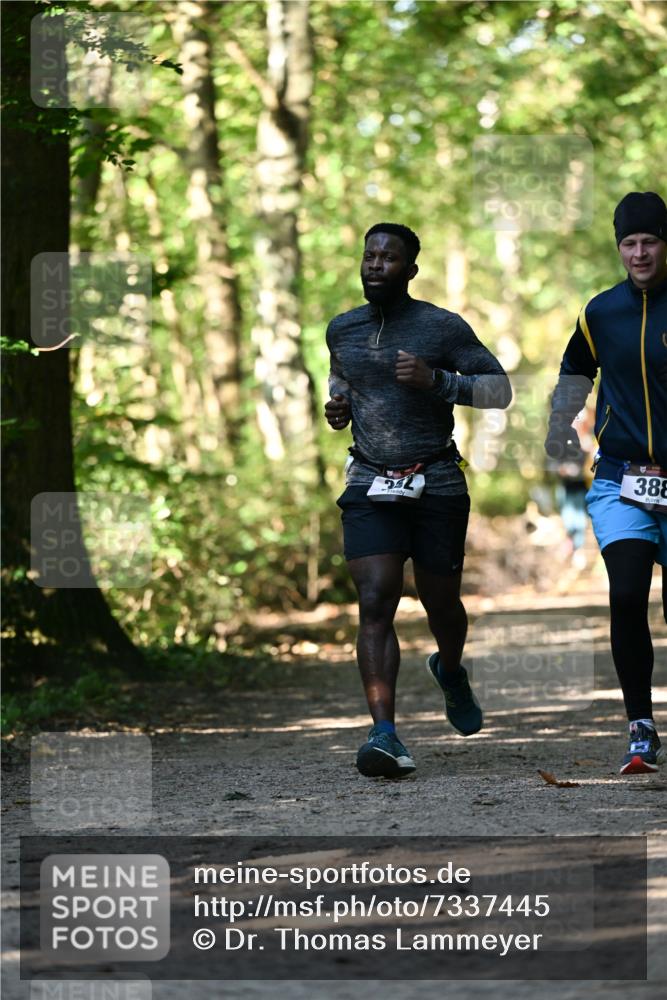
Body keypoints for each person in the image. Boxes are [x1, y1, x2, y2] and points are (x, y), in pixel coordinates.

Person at [324, 223, 512, 779]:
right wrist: (338, 406)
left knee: (441, 604)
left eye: (389, 258)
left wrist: (438, 381)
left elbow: (498, 389)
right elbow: (342, 379)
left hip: (436, 480)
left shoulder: (441, 327)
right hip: (369, 480)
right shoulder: (342, 328)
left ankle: (449, 669)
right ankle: (385, 734)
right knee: (377, 597)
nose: (375, 265)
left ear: (411, 269)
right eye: (369, 255)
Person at [545, 191, 667, 775]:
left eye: (649, 241)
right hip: (622, 480)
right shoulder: (600, 311)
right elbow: (574, 370)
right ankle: (640, 728)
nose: (639, 253)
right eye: (629, 243)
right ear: (618, 247)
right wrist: (559, 426)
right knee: (625, 596)